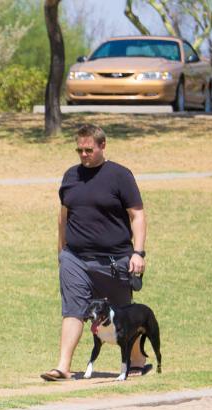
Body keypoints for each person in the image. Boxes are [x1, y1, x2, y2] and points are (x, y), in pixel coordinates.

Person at [41, 124, 148, 381]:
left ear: (102, 145)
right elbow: (63, 217)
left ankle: (136, 359)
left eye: (88, 149)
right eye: (79, 150)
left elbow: (137, 215)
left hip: (115, 260)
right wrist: (61, 252)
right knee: (73, 309)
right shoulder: (70, 176)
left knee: (123, 311)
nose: (83, 154)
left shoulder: (120, 175)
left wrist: (138, 253)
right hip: (75, 258)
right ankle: (63, 366)